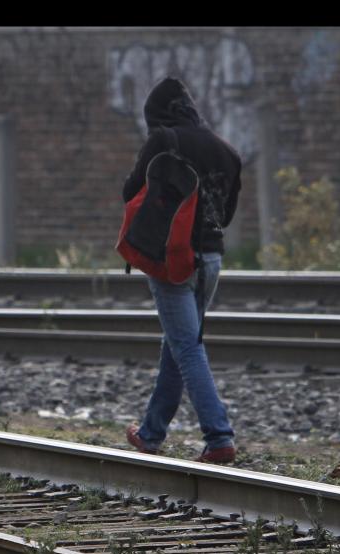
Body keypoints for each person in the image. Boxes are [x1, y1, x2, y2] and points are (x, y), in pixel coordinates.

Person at [121, 77, 241, 464]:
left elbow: (131, 191)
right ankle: (152, 432)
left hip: (173, 257)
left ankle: (219, 435)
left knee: (187, 346)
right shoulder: (226, 151)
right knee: (178, 343)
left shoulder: (163, 141)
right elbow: (227, 213)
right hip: (211, 258)